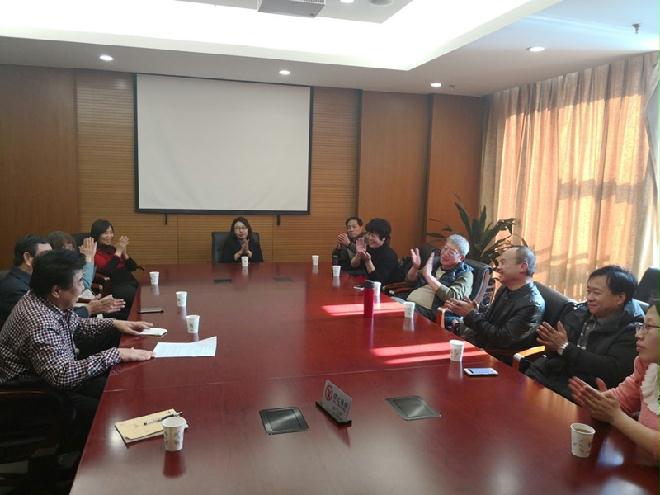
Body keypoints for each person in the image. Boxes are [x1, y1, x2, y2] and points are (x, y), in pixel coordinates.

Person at [0, 249, 153, 449]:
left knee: (118, 390)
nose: (83, 288)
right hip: (34, 394)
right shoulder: (40, 323)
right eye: (80, 281)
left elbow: (76, 324)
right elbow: (62, 376)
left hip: (51, 374)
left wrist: (115, 324)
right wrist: (115, 354)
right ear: (57, 290)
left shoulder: (43, 297)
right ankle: (84, 462)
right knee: (110, 413)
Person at [526, 266, 644, 399]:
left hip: (584, 390)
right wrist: (551, 345)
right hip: (552, 374)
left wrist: (564, 348)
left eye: (596, 293)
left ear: (620, 298)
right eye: (588, 291)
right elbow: (556, 351)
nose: (589, 298)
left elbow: (613, 370)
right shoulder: (581, 311)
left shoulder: (634, 330)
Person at [568, 300, 660, 464]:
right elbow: (622, 400)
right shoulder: (647, 365)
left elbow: (616, 414)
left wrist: (616, 417)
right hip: (637, 464)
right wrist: (598, 402)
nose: (638, 334)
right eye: (641, 326)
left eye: (648, 327)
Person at [447, 245, 544, 350]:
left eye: (503, 262)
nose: (498, 267)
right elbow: (489, 319)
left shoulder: (532, 304)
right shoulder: (505, 288)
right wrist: (471, 311)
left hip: (495, 355)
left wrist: (470, 315)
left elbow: (501, 339)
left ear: (523, 267)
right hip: (477, 343)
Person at [405, 234, 473, 323]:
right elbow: (410, 281)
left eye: (451, 252)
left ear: (461, 257)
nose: (445, 253)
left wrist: (429, 278)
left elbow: (454, 297)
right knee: (390, 304)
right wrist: (415, 267)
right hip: (409, 303)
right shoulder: (435, 263)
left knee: (393, 309)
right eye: (445, 248)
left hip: (430, 312)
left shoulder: (465, 274)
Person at [91, 219, 140, 319]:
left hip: (129, 281)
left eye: (111, 232)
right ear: (97, 234)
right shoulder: (94, 252)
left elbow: (132, 267)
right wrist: (118, 252)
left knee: (145, 291)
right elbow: (108, 271)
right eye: (105, 233)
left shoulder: (113, 248)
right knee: (135, 297)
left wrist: (124, 253)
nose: (109, 236)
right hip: (115, 285)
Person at [0, 234, 51, 326]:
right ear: (28, 258)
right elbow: (41, 322)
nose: (52, 260)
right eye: (46, 255)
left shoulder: (32, 280)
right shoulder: (16, 290)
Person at [350, 218, 399, 284]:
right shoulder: (369, 248)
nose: (369, 238)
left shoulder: (389, 255)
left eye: (373, 236)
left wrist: (368, 261)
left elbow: (378, 280)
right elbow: (353, 266)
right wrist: (358, 255)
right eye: (369, 234)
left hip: (385, 288)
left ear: (383, 238)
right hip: (368, 283)